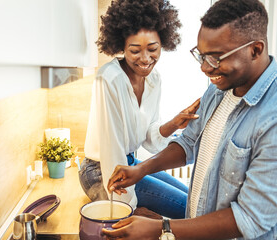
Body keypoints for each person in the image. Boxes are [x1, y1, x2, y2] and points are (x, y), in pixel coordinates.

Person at [103, 0, 277, 239]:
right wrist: (142, 169)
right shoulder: (219, 89)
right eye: (202, 56)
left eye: (216, 58)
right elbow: (188, 143)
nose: (205, 68)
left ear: (255, 50)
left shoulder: (272, 118)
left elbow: (249, 218)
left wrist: (160, 228)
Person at [78, 0, 200, 220]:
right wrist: (129, 211)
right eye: (135, 50)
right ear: (122, 47)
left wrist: (173, 123)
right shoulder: (108, 79)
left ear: (164, 43)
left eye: (153, 49)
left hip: (130, 164)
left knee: (195, 200)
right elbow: (111, 150)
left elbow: (150, 139)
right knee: (187, 209)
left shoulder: (154, 79)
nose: (145, 59)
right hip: (100, 172)